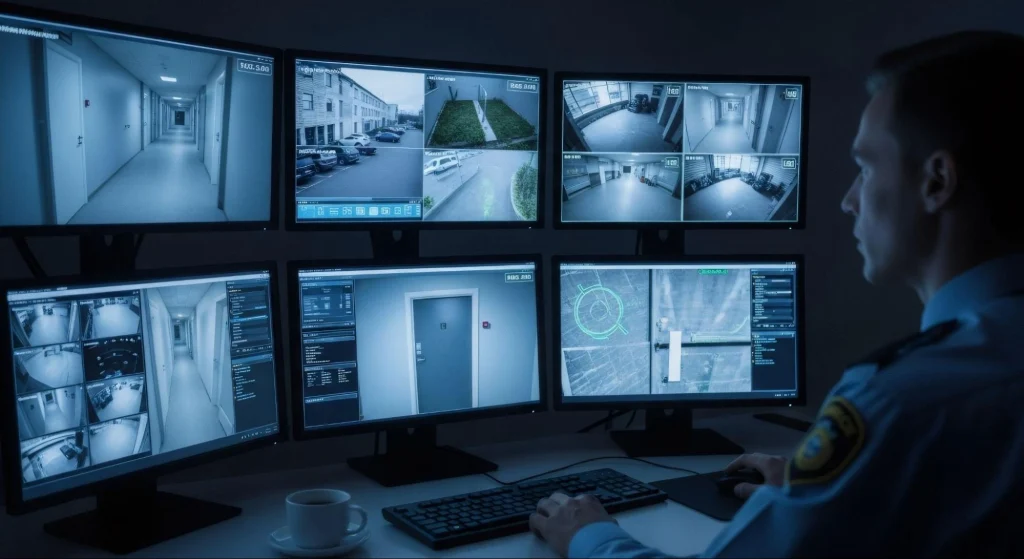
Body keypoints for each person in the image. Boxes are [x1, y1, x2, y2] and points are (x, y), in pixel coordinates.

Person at [529, 30, 1024, 558]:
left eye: (865, 166)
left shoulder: (898, 404)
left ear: (937, 181)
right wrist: (831, 488)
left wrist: (589, 535)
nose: (847, 201)